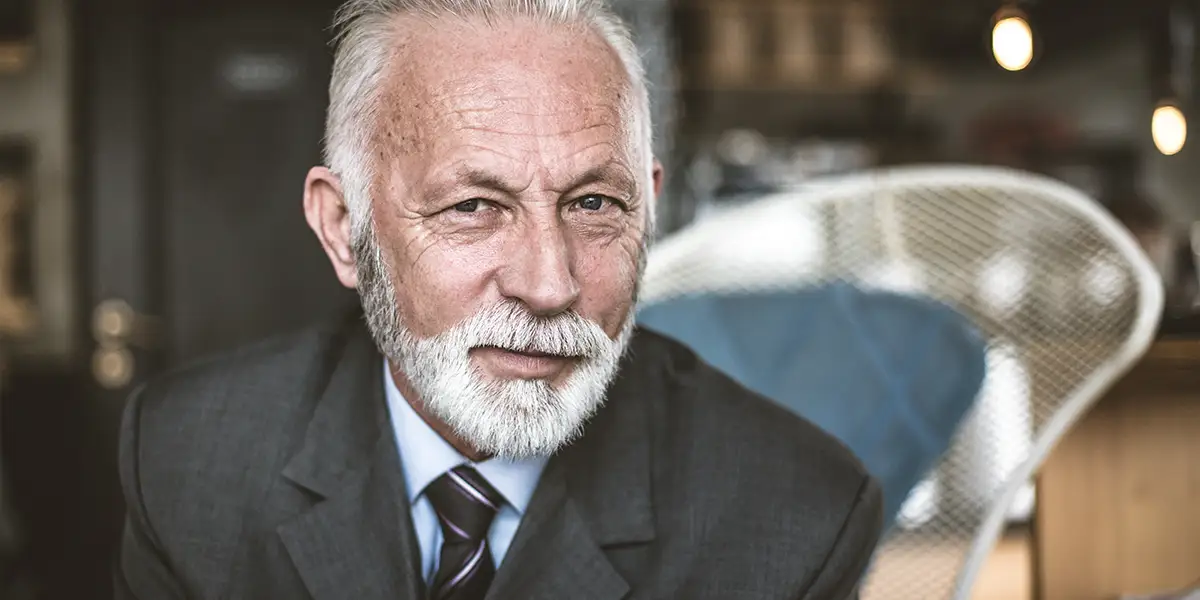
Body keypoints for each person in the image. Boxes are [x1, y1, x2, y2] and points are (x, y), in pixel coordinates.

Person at [114, 1, 883, 598]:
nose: (550, 287)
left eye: (593, 204)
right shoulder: (191, 457)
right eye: (473, 207)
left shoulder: (794, 514)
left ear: (648, 208)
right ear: (345, 229)